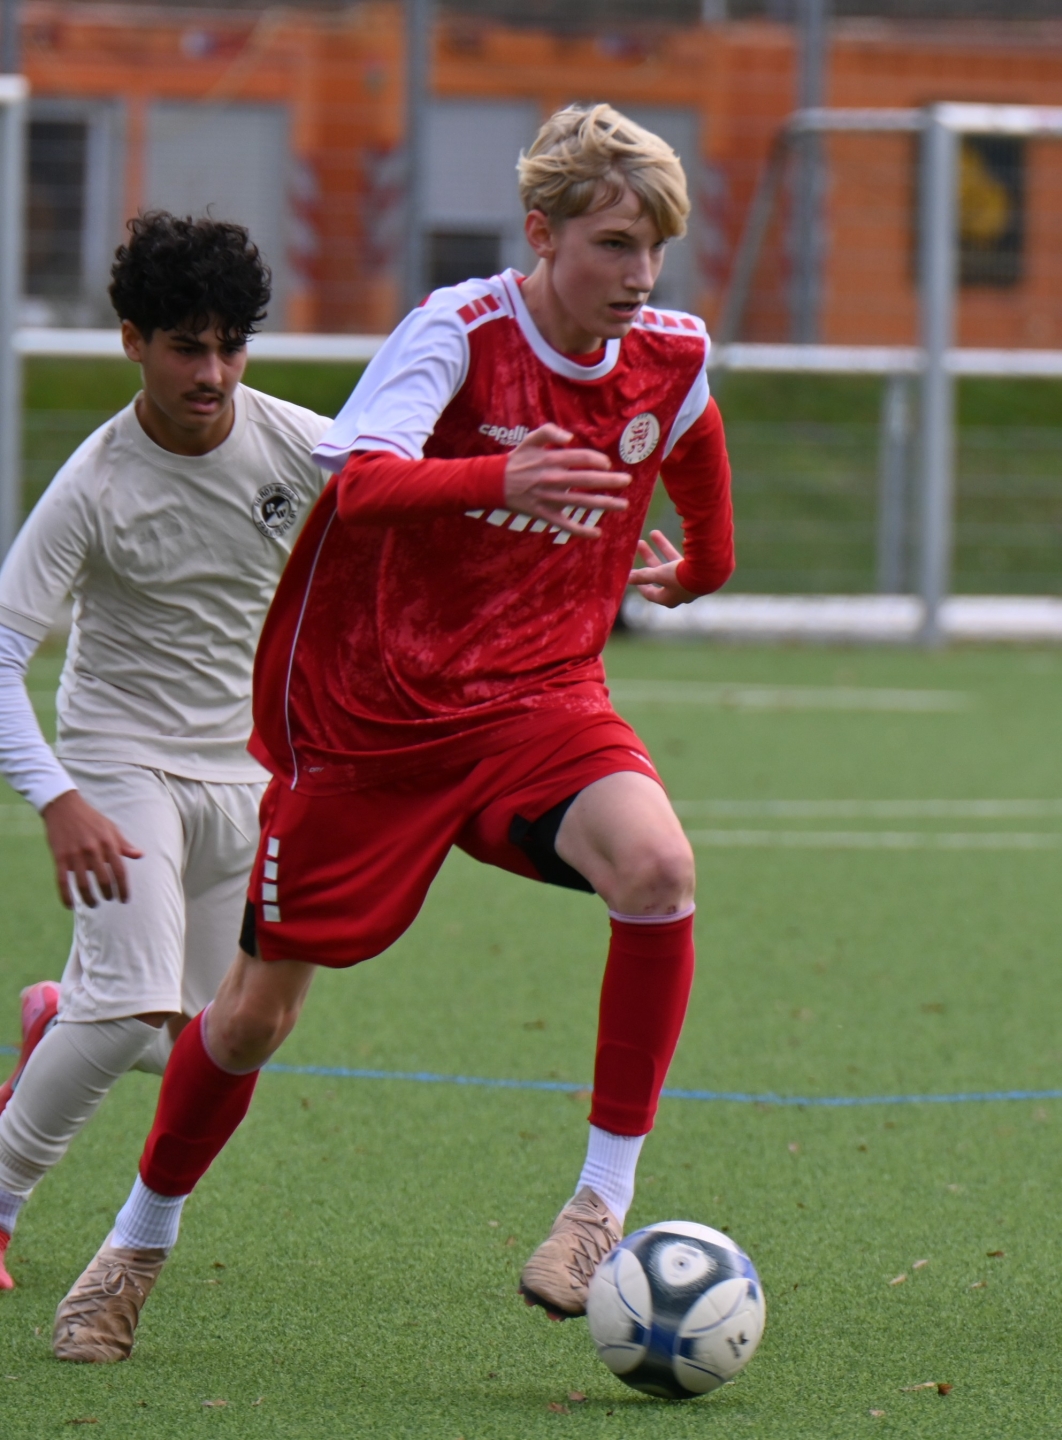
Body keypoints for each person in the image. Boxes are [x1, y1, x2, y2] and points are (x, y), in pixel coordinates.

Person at [50, 102, 735, 1363]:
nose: (641, 275)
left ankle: (599, 1206)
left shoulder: (669, 350)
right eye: (614, 244)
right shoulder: (459, 332)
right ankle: (135, 1242)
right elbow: (360, 482)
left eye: (656, 248)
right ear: (542, 234)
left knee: (659, 868)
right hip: (372, 721)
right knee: (251, 1017)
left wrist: (706, 563)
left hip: (539, 700)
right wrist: (500, 476)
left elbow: (687, 433)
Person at [0, 214, 329, 1292]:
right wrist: (57, 796)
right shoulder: (95, 482)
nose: (214, 374)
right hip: (119, 759)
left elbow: (421, 508)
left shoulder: (298, 445)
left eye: (231, 347)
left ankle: (55, 1016)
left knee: (207, 1035)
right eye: (188, 347)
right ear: (133, 341)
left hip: (249, 775)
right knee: (135, 1003)